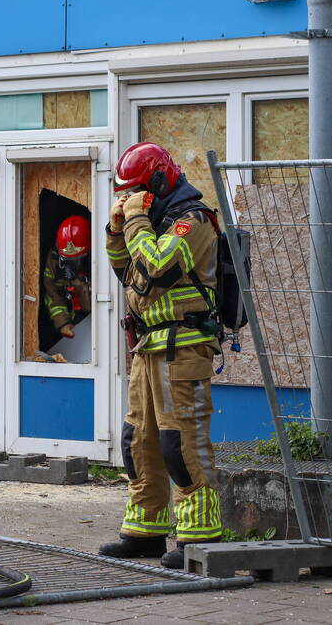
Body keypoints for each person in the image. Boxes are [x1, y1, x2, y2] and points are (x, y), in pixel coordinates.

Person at [99, 142, 222, 570]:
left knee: (180, 443)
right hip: (148, 346)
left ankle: (199, 536)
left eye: (136, 192)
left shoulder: (193, 221)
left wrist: (135, 221)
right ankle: (145, 532)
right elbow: (128, 274)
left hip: (184, 347)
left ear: (157, 182)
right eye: (126, 194)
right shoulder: (150, 225)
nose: (132, 199)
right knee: (139, 440)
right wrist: (117, 230)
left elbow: (155, 270)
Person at [43, 215, 92, 339]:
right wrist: (63, 323)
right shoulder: (55, 259)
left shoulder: (100, 256)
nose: (76, 264)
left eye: (79, 259)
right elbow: (53, 293)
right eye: (69, 260)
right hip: (77, 320)